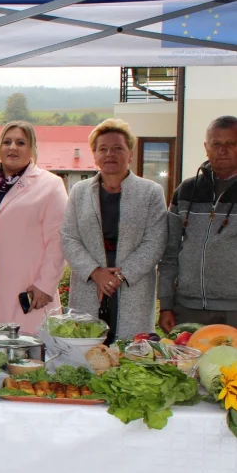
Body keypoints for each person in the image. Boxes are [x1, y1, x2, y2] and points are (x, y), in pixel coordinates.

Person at [61, 120, 167, 342]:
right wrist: (95, 272)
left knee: (131, 351)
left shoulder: (151, 192)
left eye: (118, 148)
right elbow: (69, 237)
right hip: (90, 281)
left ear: (130, 154)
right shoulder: (79, 192)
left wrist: (119, 276)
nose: (110, 154)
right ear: (95, 155)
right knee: (86, 348)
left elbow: (155, 242)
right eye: (103, 149)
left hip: (132, 282)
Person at [0, 121, 67, 334]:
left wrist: (45, 285)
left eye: (21, 142)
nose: (13, 147)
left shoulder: (51, 185)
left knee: (28, 349)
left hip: (29, 290)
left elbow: (59, 240)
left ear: (32, 149)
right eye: (7, 142)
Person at [159, 116, 237, 332]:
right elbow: (169, 252)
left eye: (231, 143)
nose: (223, 150)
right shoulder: (186, 191)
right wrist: (166, 304)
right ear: (206, 147)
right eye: (216, 144)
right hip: (188, 308)